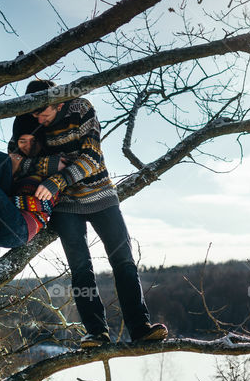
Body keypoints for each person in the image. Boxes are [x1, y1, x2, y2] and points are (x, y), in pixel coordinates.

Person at [26, 79, 167, 348]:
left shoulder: (81, 108)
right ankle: (96, 333)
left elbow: (91, 158)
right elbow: (23, 158)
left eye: (40, 111)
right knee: (80, 268)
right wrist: (51, 164)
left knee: (124, 261)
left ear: (56, 102)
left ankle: (140, 328)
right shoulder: (33, 121)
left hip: (101, 195)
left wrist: (58, 177)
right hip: (65, 205)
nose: (36, 117)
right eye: (32, 112)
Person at [0, 114, 63, 278]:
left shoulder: (50, 168)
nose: (28, 146)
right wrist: (11, 174)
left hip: (17, 229)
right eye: (23, 141)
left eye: (33, 141)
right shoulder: (14, 162)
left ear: (40, 141)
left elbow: (44, 205)